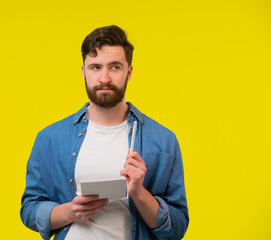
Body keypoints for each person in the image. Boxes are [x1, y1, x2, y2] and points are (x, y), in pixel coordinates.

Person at [20, 25, 189, 240]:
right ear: (83, 72)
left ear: (129, 72)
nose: (105, 78)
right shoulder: (49, 139)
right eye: (96, 67)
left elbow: (178, 227)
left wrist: (139, 193)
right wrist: (70, 211)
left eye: (115, 67)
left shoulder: (164, 141)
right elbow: (29, 209)